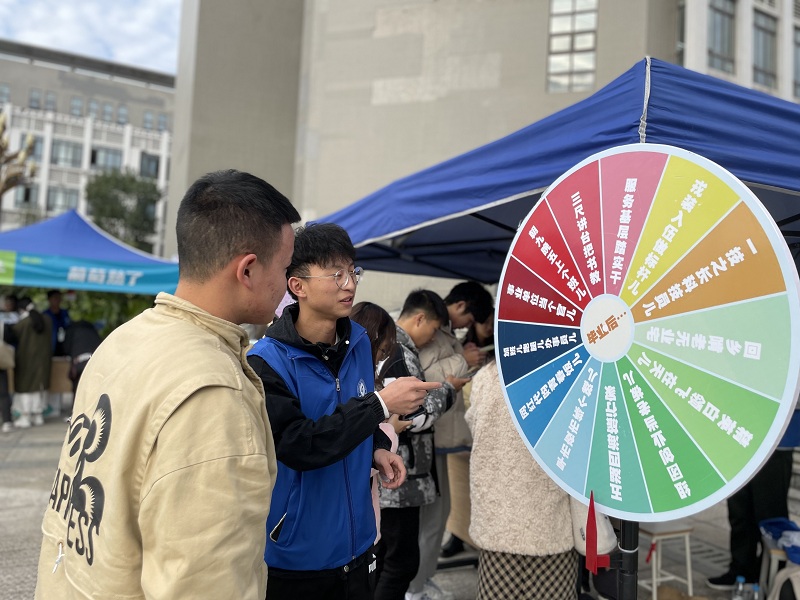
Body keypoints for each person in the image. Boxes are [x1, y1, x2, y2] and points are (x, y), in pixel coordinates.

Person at [34, 169, 301, 599]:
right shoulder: (214, 394)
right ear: (248, 269)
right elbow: (205, 584)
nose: (287, 285)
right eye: (285, 268)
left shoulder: (123, 339)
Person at [247, 223, 439, 600]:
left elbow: (352, 418)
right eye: (336, 274)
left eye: (353, 271)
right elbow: (300, 445)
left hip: (360, 542)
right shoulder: (266, 361)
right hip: (297, 556)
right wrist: (382, 404)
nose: (349, 284)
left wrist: (376, 449)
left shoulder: (359, 343)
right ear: (298, 285)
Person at [374, 289, 469, 600]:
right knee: (399, 563)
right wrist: (449, 389)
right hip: (399, 476)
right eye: (434, 328)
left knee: (384, 560)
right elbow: (415, 416)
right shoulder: (400, 351)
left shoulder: (384, 343)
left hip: (388, 472)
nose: (433, 337)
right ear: (419, 319)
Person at [409, 281, 494, 600]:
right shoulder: (432, 333)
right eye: (468, 320)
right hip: (427, 436)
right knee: (431, 518)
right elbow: (426, 378)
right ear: (460, 307)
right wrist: (464, 359)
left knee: (439, 515)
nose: (465, 327)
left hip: (439, 437)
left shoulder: (443, 333)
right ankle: (415, 587)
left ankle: (423, 579)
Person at [465, 360, 578, 599]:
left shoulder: (487, 377)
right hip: (549, 521)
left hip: (498, 522)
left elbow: (474, 424)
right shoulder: (565, 373)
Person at [706, 409, 800, 591]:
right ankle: (740, 572)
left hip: (777, 440)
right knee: (739, 510)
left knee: (770, 516)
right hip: (743, 437)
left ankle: (770, 579)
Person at [441, 310, 495, 559]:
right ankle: (458, 536)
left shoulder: (499, 349)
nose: (489, 327)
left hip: (485, 432)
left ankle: (480, 542)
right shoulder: (462, 346)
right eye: (485, 321)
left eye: (493, 322)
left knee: (484, 491)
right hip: (461, 427)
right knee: (458, 490)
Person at [2, 296, 52, 428]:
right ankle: (38, 416)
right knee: (39, 388)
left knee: (25, 388)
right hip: (43, 361)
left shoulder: (23, 323)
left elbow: (10, 335)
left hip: (26, 360)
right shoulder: (47, 319)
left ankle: (25, 416)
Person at [0, 294, 19, 433]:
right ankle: (7, 420)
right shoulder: (4, 324)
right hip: (1, 360)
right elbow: (12, 339)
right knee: (3, 391)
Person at [43, 289, 71, 356]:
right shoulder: (45, 315)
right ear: (49, 300)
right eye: (55, 298)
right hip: (50, 345)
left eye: (59, 298)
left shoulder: (65, 313)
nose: (58, 300)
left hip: (64, 345)